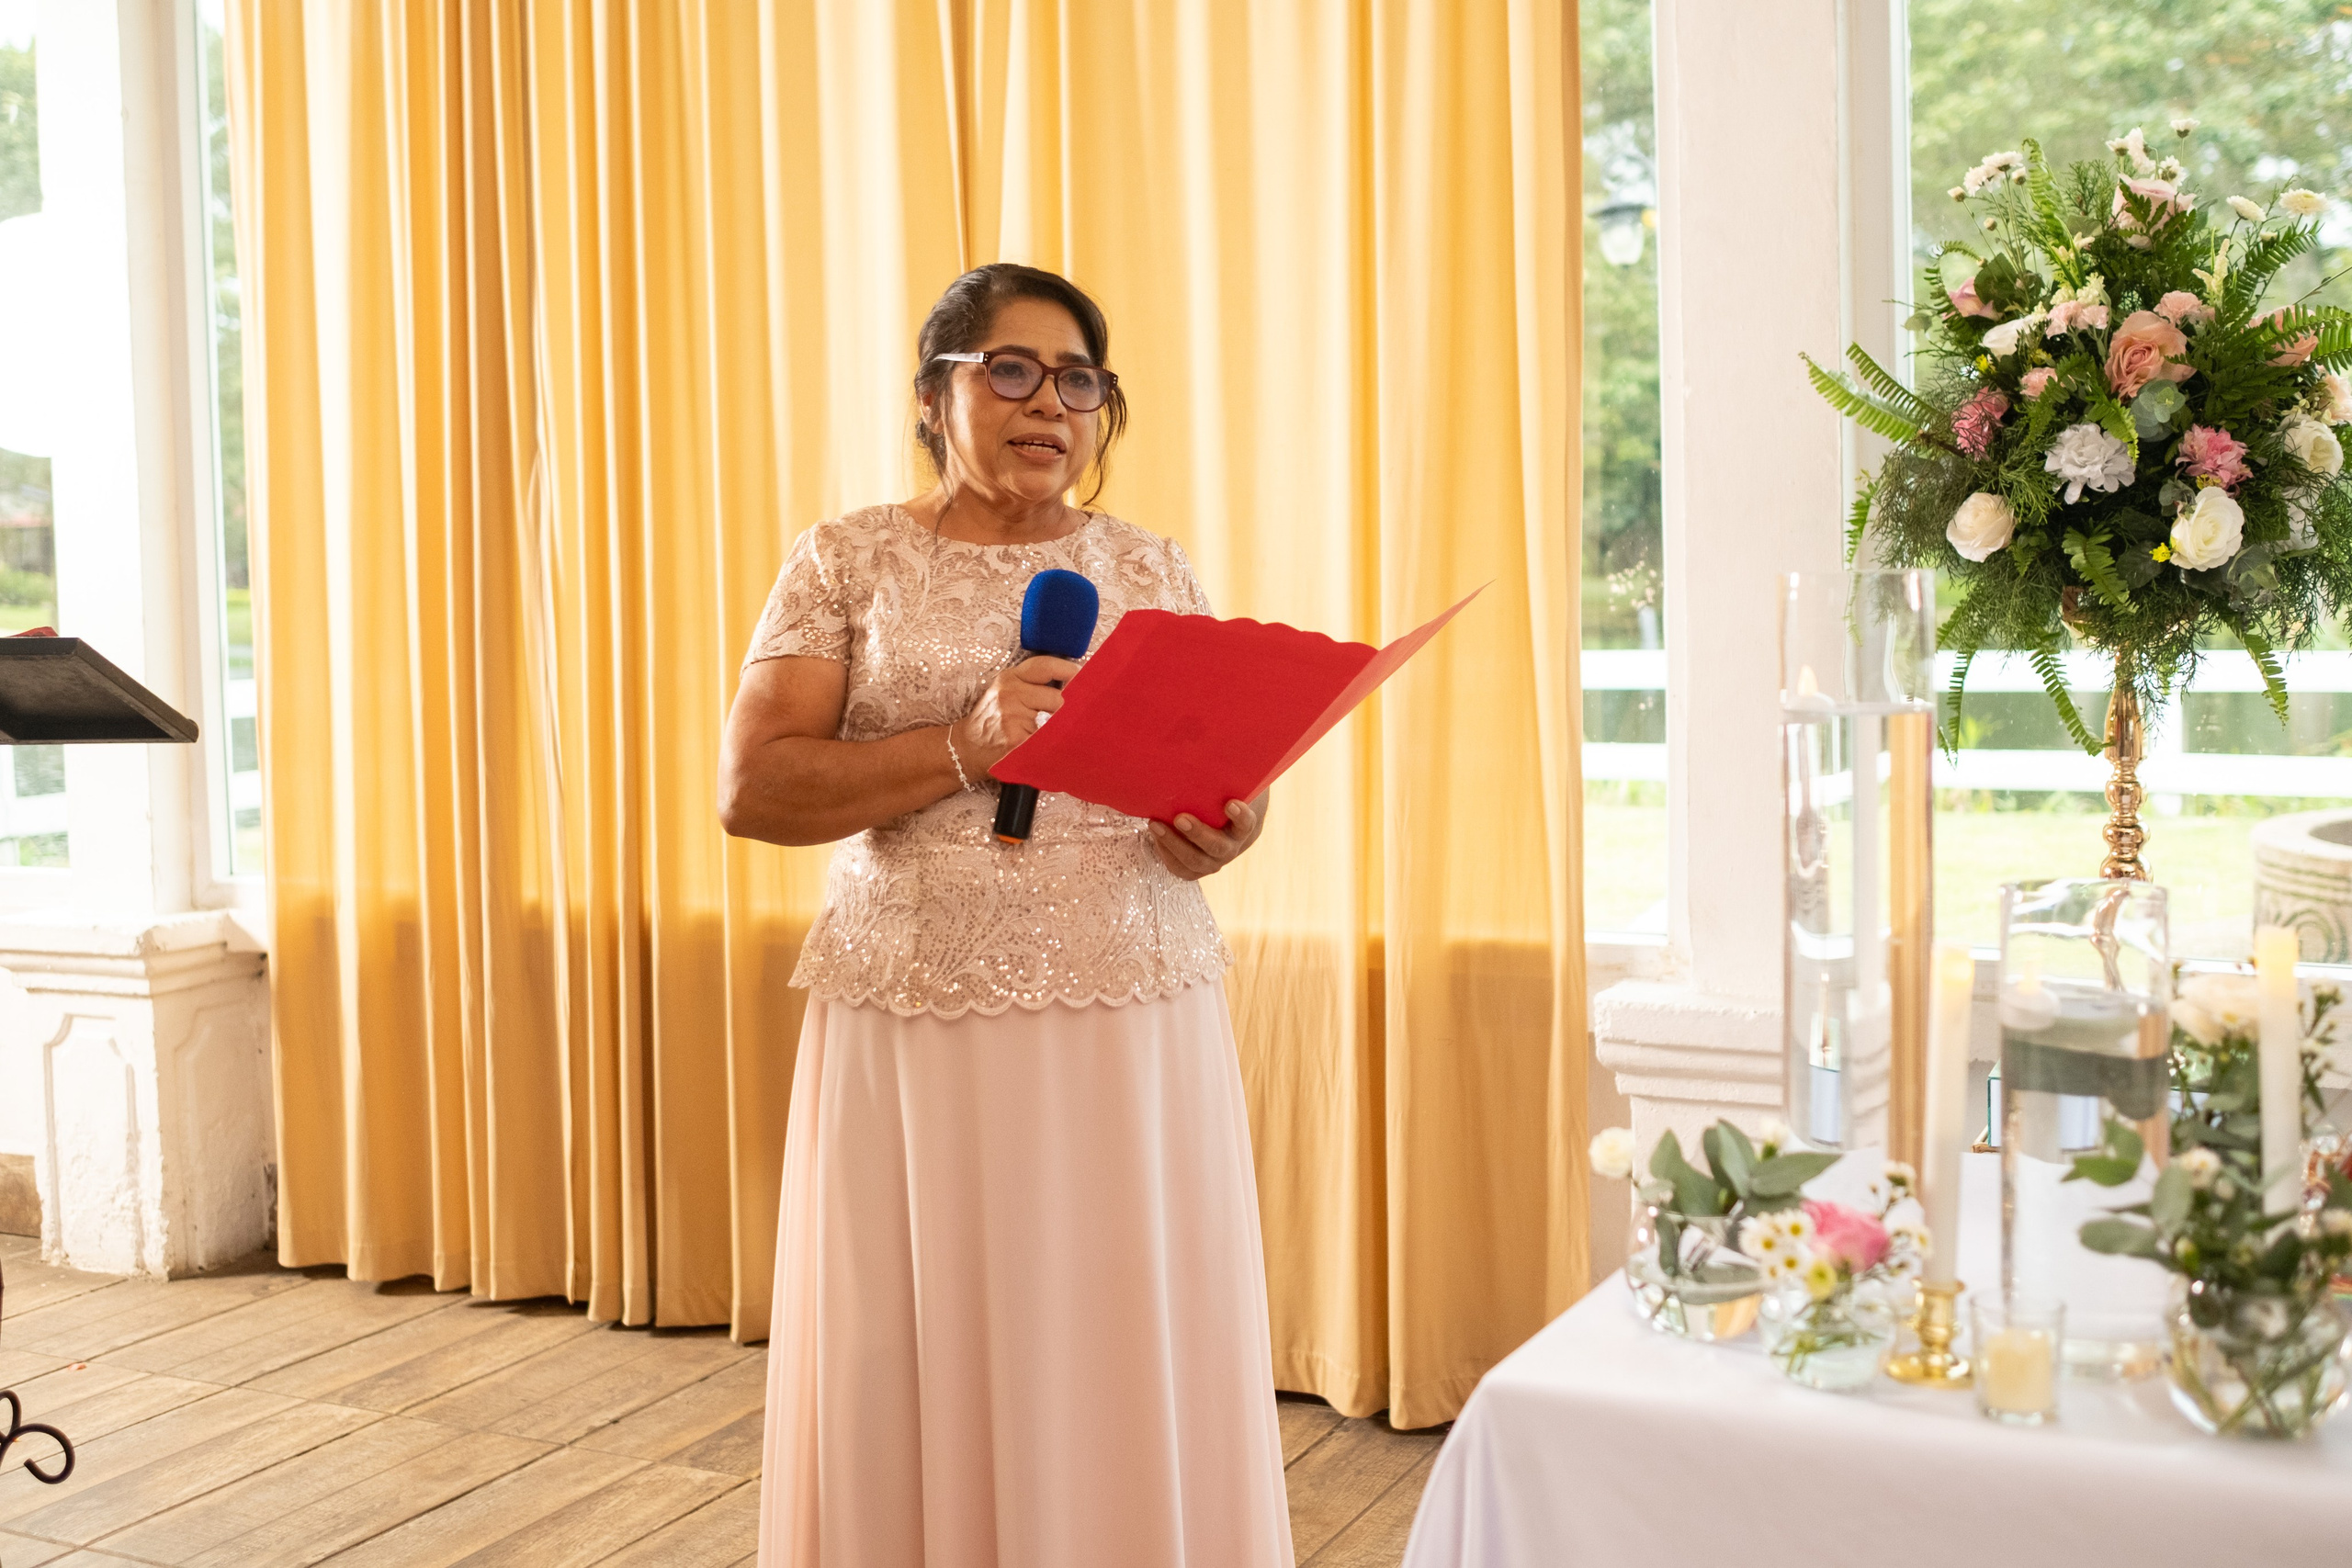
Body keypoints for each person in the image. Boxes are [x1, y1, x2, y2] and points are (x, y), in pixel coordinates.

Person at [721, 262, 1291, 1568]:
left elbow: (1223, 780)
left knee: (1114, 1324)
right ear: (936, 396)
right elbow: (753, 791)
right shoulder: (846, 560)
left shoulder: (1149, 565)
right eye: (1014, 370)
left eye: (1079, 381)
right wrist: (963, 747)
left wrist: (1227, 828)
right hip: (918, 1010)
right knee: (917, 1331)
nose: (1050, 405)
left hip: (1129, 1004)